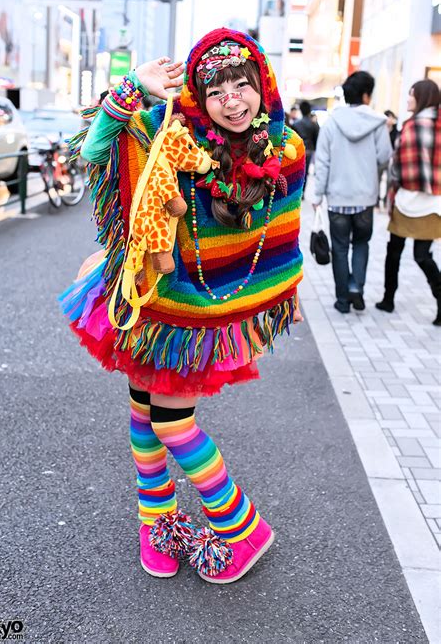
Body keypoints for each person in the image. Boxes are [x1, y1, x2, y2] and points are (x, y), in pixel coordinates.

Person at [59, 29, 305, 583]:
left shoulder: (285, 150)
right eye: (216, 91)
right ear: (198, 96)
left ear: (262, 86)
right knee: (145, 413)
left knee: (173, 424)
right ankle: (157, 523)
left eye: (242, 85)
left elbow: (275, 240)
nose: (233, 101)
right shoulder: (169, 133)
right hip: (154, 305)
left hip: (205, 318)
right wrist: (131, 89)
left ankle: (243, 529)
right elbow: (97, 151)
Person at [313, 71, 392, 313]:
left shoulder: (331, 123)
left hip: (337, 199)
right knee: (361, 244)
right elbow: (384, 157)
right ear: (367, 95)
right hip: (365, 198)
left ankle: (342, 300)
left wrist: (317, 196)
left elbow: (322, 162)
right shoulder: (378, 123)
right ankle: (356, 286)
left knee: (339, 248)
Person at [376, 79, 441, 325]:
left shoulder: (412, 126)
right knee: (423, 256)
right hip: (434, 202)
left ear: (422, 98)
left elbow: (397, 165)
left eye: (412, 95)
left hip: (407, 199)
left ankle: (388, 299)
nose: (408, 99)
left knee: (394, 251)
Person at [293, 100, 319, 197]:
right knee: (305, 172)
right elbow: (317, 140)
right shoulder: (314, 125)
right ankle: (302, 192)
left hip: (297, 151)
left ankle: (296, 191)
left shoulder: (296, 124)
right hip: (309, 151)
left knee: (297, 172)